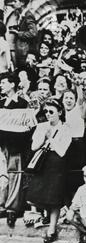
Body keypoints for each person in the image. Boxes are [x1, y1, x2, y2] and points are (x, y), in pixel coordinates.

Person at [26, 99, 72, 243]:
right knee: (39, 194)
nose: (48, 114)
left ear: (60, 112)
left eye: (51, 112)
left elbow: (62, 152)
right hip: (42, 164)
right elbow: (34, 147)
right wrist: (43, 136)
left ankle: (52, 229)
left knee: (55, 199)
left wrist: (51, 138)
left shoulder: (66, 128)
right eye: (45, 111)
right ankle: (45, 217)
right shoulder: (41, 126)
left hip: (57, 165)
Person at [0, 73, 31, 228]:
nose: (1, 85)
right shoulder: (0, 103)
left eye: (4, 82)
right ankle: (2, 204)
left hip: (17, 146)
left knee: (15, 176)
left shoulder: (23, 103)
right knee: (4, 176)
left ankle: (12, 209)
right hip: (2, 146)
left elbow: (27, 126)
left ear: (12, 84)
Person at [8, 0, 38, 69]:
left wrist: (18, 33)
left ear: (22, 3)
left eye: (15, 1)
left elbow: (33, 33)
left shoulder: (28, 15)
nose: (13, 3)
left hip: (24, 52)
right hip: (22, 51)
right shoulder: (22, 15)